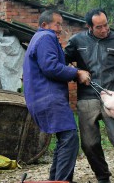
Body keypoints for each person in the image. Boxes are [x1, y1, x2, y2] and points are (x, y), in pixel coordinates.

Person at [64, 8, 114, 183]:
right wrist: (76, 71)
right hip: (86, 97)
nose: (104, 30)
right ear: (89, 26)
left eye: (106, 25)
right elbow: (62, 62)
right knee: (89, 143)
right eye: (99, 27)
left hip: (112, 96)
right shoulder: (77, 41)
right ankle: (102, 177)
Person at [23, 10, 90, 182]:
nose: (60, 28)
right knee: (70, 138)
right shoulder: (46, 37)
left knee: (65, 140)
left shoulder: (37, 39)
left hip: (40, 98)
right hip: (49, 98)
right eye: (57, 24)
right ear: (44, 25)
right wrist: (77, 72)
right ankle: (62, 181)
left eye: (61, 24)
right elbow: (50, 67)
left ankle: (55, 180)